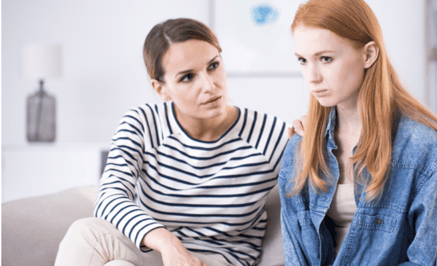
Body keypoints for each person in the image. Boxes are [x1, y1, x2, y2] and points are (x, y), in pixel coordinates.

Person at [55, 18, 289, 266]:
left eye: (213, 66)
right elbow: (110, 197)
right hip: (159, 253)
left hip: (219, 260)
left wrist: (320, 131)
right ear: (161, 89)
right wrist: (168, 243)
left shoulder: (271, 136)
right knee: (90, 237)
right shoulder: (142, 124)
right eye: (187, 77)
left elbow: (324, 186)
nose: (209, 86)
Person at [279, 0, 437, 265]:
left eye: (326, 59)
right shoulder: (300, 147)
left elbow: (431, 260)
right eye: (303, 61)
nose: (312, 77)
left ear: (368, 55)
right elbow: (296, 257)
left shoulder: (424, 146)